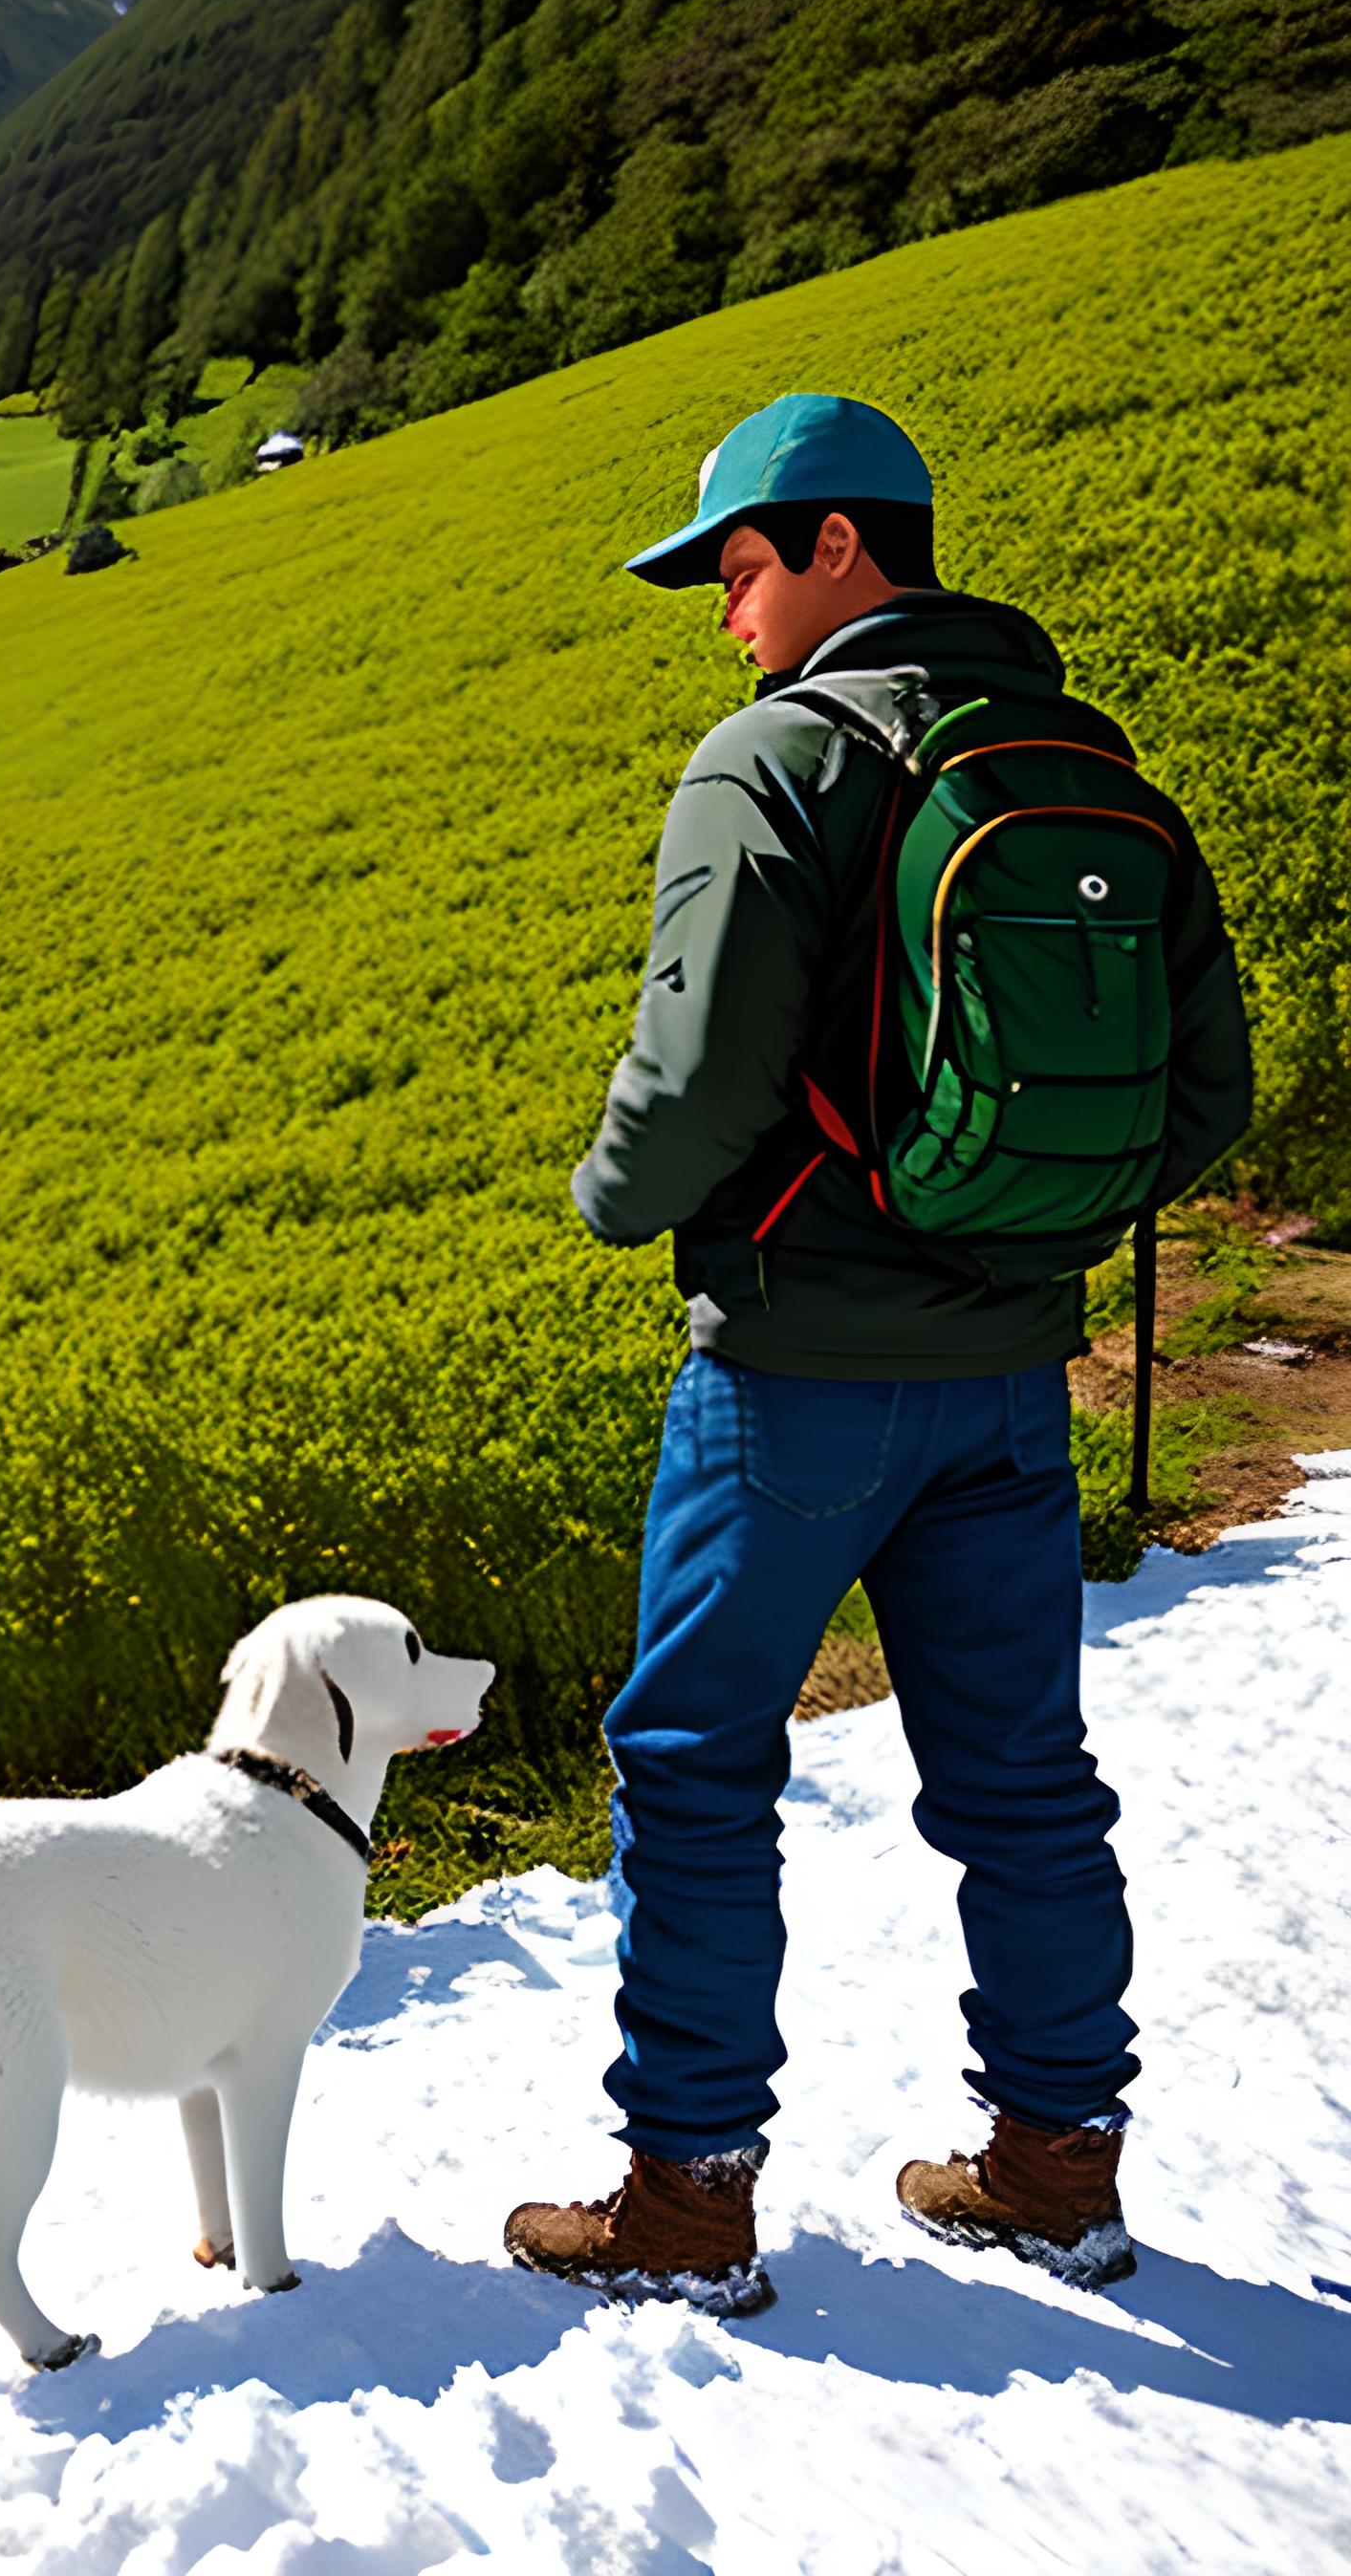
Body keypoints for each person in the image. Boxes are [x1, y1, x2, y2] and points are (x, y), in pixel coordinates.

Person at [504, 391, 1253, 2313]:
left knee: (689, 1761)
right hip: (1016, 1379)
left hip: (789, 1379)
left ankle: (684, 2199)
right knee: (1019, 1776)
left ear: (841, 545)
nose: (722, 611)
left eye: (738, 566)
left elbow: (689, 1088)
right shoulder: (1084, 759)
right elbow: (1200, 1094)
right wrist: (1003, 1217)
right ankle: (1053, 2166)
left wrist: (610, 1198)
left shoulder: (771, 765)